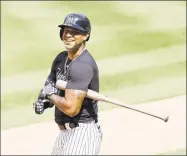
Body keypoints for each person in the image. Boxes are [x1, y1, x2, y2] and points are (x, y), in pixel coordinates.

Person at [33, 13, 103, 155]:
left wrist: (50, 95)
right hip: (65, 134)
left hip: (82, 133)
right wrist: (45, 102)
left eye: (75, 32)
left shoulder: (82, 66)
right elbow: (50, 86)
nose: (68, 35)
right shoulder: (61, 59)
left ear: (86, 36)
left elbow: (71, 109)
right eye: (66, 31)